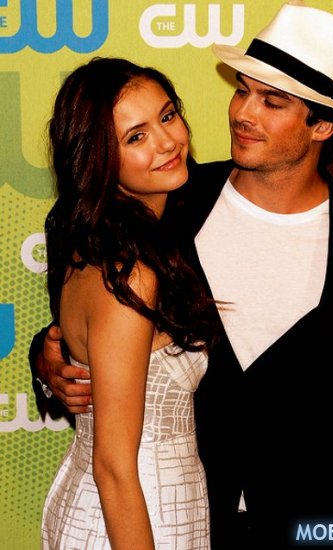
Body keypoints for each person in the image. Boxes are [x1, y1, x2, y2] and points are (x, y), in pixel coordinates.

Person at [32, 3, 333, 548]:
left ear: (323, 124)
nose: (242, 113)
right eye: (242, 90)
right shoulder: (169, 199)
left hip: (308, 521)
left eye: (272, 101)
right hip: (179, 514)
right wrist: (49, 356)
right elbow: (97, 311)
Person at [38, 56, 219, 549]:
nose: (167, 142)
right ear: (97, 158)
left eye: (167, 116)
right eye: (136, 137)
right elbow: (115, 467)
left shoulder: (103, 241)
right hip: (134, 515)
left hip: (149, 503)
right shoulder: (128, 274)